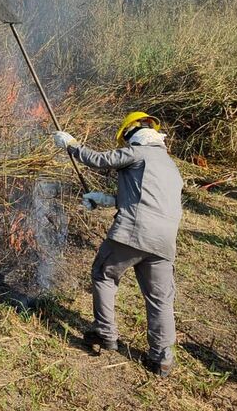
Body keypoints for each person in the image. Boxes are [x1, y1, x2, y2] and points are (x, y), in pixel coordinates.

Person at [54, 111, 183, 377]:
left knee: (104, 274)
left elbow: (100, 161)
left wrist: (71, 145)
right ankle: (161, 360)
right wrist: (104, 199)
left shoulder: (139, 152)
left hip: (135, 232)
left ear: (132, 132)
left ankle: (105, 335)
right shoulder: (170, 166)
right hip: (165, 242)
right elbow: (145, 198)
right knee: (160, 299)